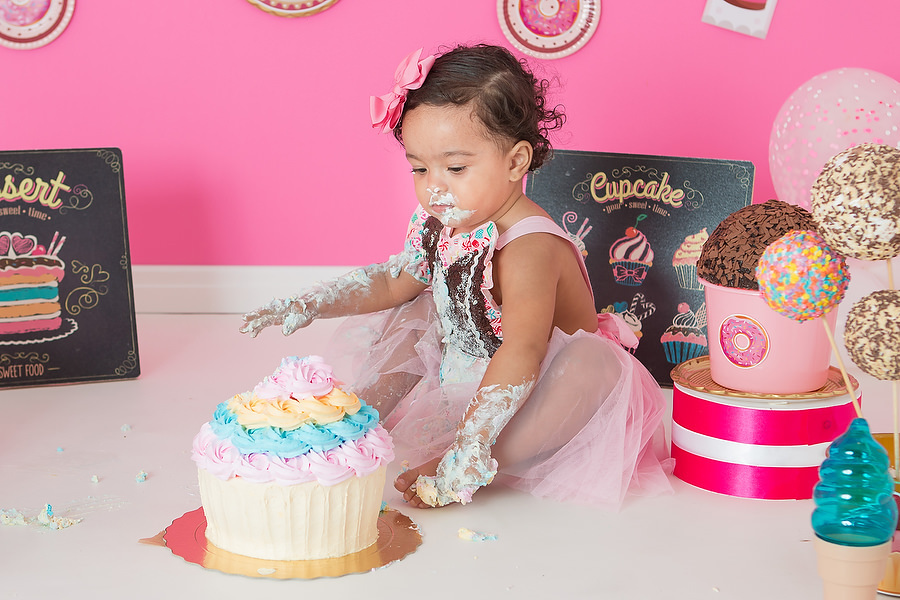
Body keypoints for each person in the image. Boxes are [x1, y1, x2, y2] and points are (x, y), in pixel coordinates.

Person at [240, 44, 672, 508]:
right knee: (420, 301)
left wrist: (473, 438)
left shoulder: (531, 247)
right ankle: (358, 421)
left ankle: (476, 458)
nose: (435, 187)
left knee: (590, 364)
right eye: (420, 169)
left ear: (515, 162)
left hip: (544, 395)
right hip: (469, 376)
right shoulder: (442, 223)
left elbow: (523, 350)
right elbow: (393, 282)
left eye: (456, 167)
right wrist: (311, 302)